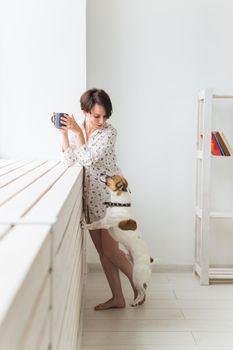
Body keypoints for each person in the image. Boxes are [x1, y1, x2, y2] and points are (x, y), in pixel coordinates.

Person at [57, 88, 143, 310]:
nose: (101, 120)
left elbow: (88, 160)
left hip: (111, 197)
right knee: (103, 251)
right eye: (96, 116)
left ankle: (139, 284)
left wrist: (79, 134)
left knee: (112, 250)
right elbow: (69, 161)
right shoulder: (81, 130)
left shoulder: (109, 133)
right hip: (91, 199)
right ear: (84, 112)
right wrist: (65, 132)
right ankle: (117, 297)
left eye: (105, 116)